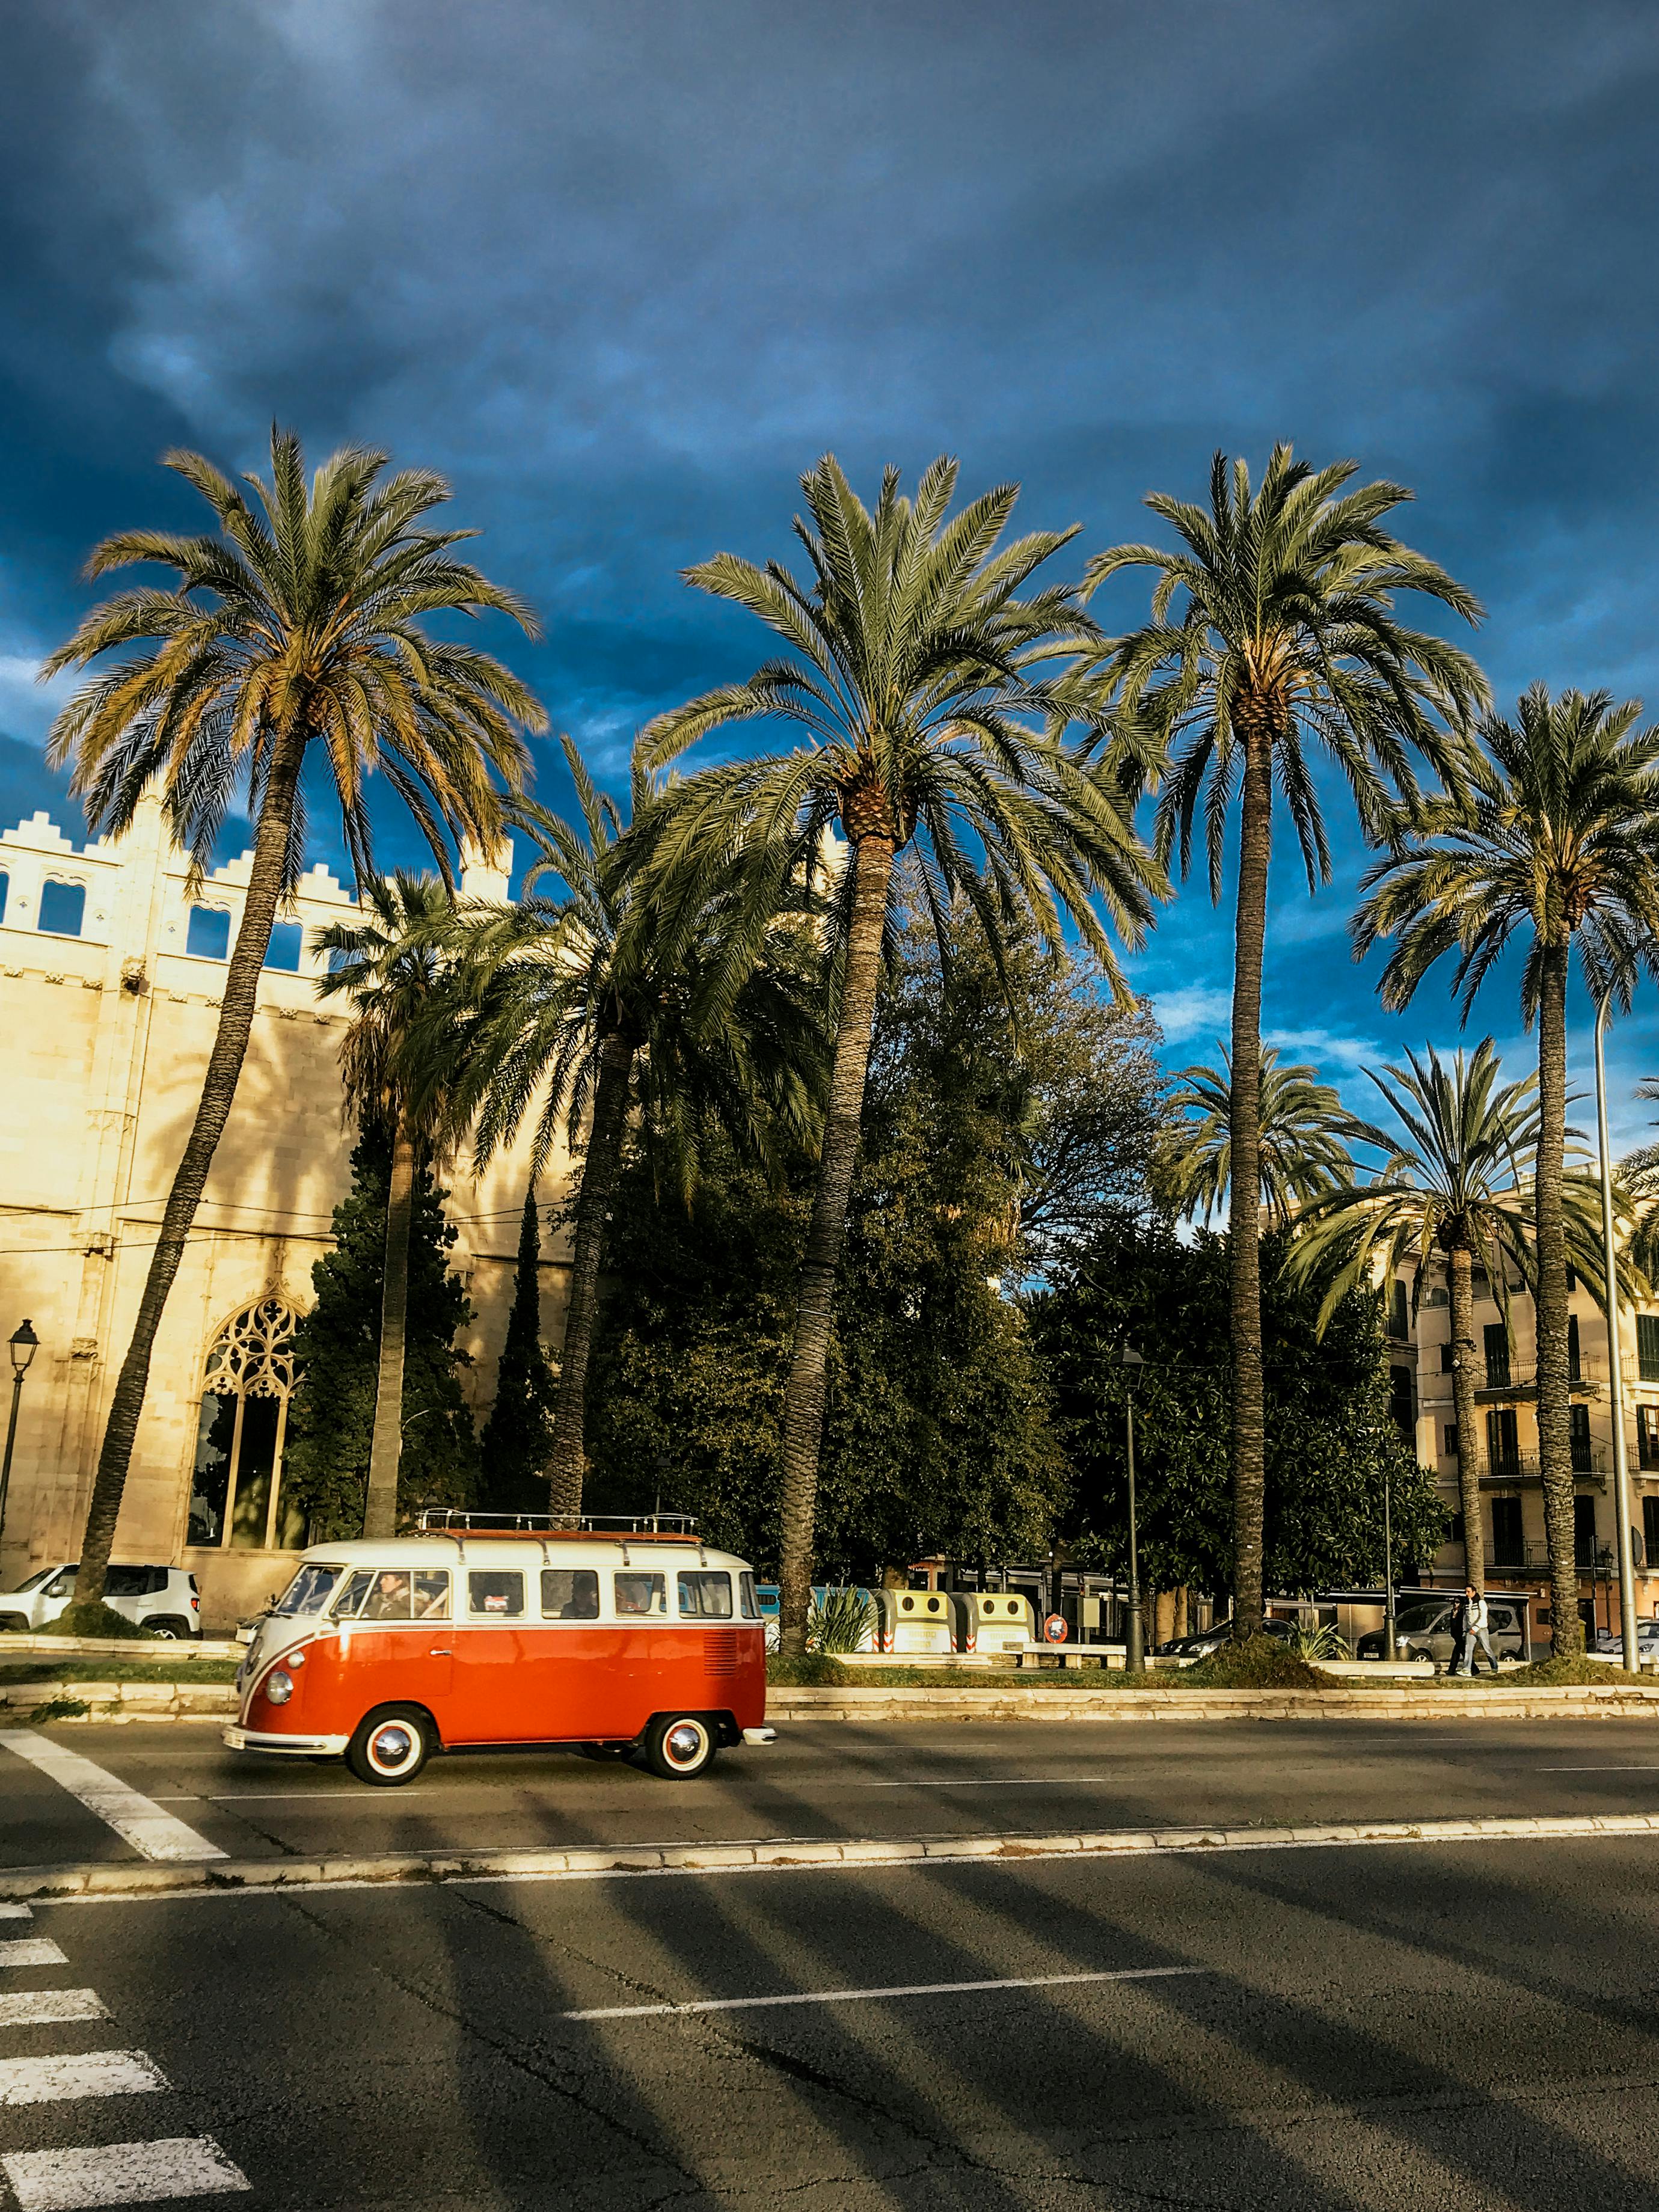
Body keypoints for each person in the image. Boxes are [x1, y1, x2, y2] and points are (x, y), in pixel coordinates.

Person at [1455, 1582, 1498, 1676]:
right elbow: (1466, 1618)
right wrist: (1465, 1629)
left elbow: (1483, 1617)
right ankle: (1467, 1669)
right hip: (1470, 1630)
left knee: (1487, 1649)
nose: (1467, 1594)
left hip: (1481, 1629)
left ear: (1474, 1592)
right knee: (1468, 1649)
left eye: (1469, 1592)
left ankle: (1494, 1668)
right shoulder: (1467, 1604)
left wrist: (1476, 1628)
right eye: (1466, 1592)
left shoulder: (1481, 1603)